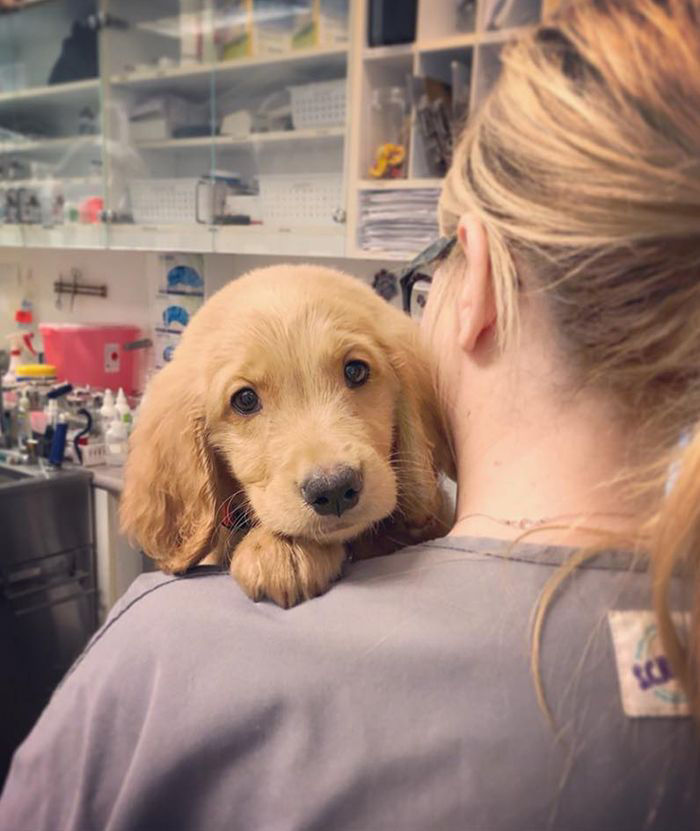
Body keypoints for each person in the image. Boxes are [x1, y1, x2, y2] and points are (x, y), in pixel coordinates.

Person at [2, 0, 700, 828]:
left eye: (357, 372)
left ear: (470, 275)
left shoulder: (163, 660)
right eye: (248, 400)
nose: (329, 462)